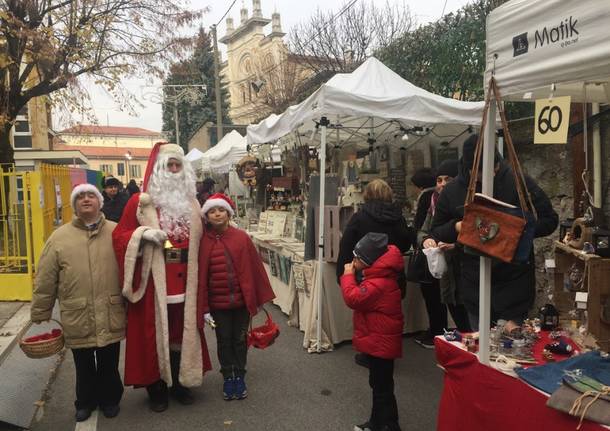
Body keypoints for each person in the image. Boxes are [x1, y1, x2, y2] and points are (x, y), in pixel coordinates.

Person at [112, 142, 212, 412]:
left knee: (181, 333)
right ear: (159, 169)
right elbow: (119, 236)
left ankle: (180, 383)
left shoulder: (192, 203)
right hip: (154, 283)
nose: (174, 169)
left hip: (185, 283)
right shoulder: (140, 202)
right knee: (154, 335)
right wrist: (142, 234)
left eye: (178, 165)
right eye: (170, 164)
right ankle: (156, 388)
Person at [431, 134, 558, 328]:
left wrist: (516, 232)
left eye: (494, 169)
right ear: (469, 168)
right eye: (480, 173)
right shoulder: (453, 190)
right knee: (479, 348)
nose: (489, 175)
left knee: (513, 349)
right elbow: (437, 230)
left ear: (497, 162)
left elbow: (549, 220)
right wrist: (457, 226)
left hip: (514, 283)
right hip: (475, 285)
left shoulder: (518, 182)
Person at [31, 183, 125, 422]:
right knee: (82, 364)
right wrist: (41, 310)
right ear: (74, 204)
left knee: (109, 361)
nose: (86, 199)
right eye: (80, 196)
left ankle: (110, 399)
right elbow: (46, 276)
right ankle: (85, 401)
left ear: (99, 202)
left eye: (90, 195)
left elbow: (131, 268)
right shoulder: (59, 238)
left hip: (110, 308)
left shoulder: (116, 232)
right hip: (77, 312)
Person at [198, 193, 275, 401]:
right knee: (223, 341)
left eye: (221, 210)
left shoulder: (241, 238)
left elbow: (254, 269)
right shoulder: (202, 242)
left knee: (240, 340)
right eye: (212, 211)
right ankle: (228, 377)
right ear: (207, 216)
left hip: (240, 303)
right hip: (218, 305)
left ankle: (239, 376)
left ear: (228, 213)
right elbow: (201, 277)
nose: (217, 214)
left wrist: (256, 299)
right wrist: (204, 308)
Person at [336, 179, 413, 367]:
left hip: (366, 272)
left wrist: (344, 272)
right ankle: (384, 349)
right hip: (391, 274)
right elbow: (405, 243)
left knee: (367, 315)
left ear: (367, 195)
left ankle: (370, 353)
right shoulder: (398, 217)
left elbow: (346, 244)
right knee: (386, 314)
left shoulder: (360, 217)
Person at [340, 232, 404, 431]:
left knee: (381, 387)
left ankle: (383, 425)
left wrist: (348, 276)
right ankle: (384, 423)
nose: (353, 261)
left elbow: (353, 298)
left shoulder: (379, 282)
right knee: (381, 385)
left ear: (368, 261)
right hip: (380, 341)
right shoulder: (380, 276)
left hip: (381, 343)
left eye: (357, 258)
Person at [415, 160, 472, 348]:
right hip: (447, 276)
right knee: (460, 321)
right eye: (439, 180)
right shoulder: (433, 204)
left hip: (467, 273)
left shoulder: (468, 204)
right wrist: (426, 240)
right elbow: (423, 231)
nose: (442, 184)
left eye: (448, 179)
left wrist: (456, 245)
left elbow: (480, 238)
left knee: (471, 326)